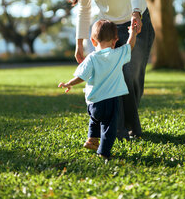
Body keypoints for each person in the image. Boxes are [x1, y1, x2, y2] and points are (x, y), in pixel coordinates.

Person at [57, 0, 155, 139]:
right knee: (112, 77)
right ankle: (117, 128)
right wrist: (79, 42)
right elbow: (84, 9)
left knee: (131, 78)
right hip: (110, 29)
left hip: (137, 23)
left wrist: (136, 13)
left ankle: (130, 129)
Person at [58, 19, 138, 159]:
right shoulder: (118, 54)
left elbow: (81, 76)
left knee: (94, 120)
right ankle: (104, 152)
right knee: (109, 128)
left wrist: (69, 83)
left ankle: (92, 139)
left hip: (93, 103)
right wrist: (133, 33)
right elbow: (130, 46)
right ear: (115, 41)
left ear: (93, 41)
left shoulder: (91, 58)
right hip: (110, 101)